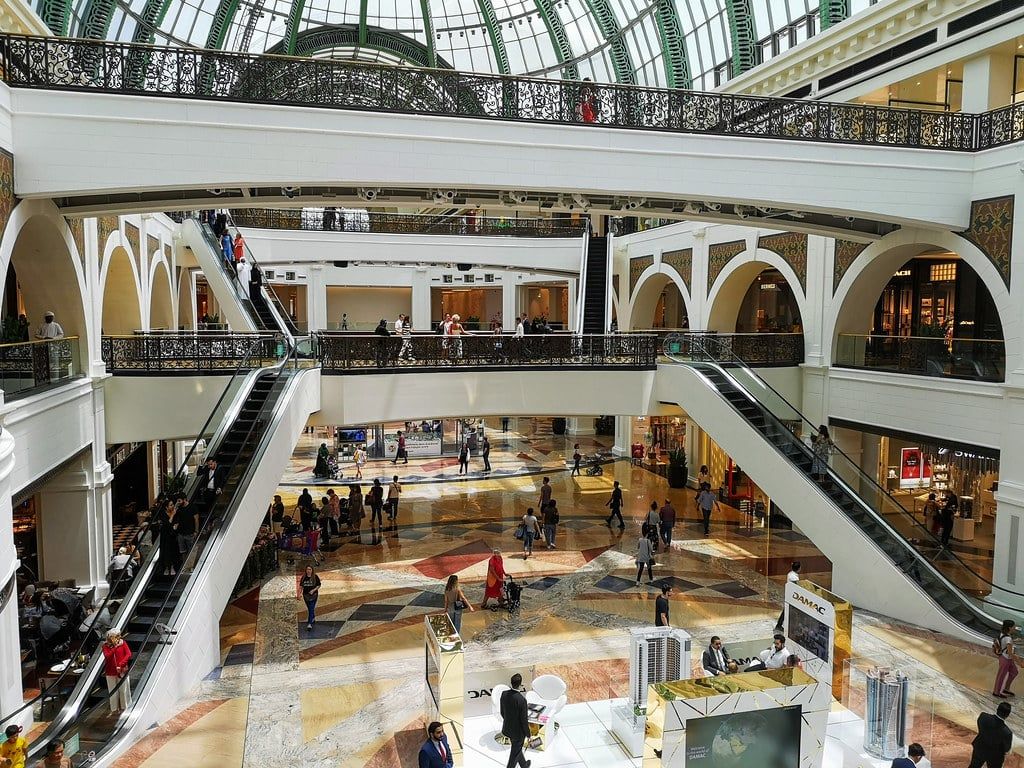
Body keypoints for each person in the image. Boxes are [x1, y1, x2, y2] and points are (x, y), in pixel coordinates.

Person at [500, 673, 532, 768]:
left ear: (511, 683)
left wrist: (509, 722)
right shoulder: (522, 700)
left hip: (507, 729)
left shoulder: (504, 694)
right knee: (514, 755)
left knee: (516, 749)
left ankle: (524, 765)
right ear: (520, 685)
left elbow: (502, 712)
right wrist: (528, 734)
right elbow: (524, 720)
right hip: (518, 733)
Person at [969, 702, 1013, 768]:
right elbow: (1007, 748)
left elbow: (980, 726)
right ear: (1007, 715)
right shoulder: (1007, 732)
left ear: (997, 709)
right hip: (995, 756)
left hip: (980, 747)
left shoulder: (983, 716)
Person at [101, 628, 132, 713]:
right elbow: (107, 656)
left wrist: (121, 664)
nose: (119, 638)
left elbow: (128, 654)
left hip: (121, 670)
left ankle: (125, 707)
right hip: (110, 671)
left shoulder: (123, 643)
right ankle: (114, 708)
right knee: (112, 691)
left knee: (123, 690)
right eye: (116, 636)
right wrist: (115, 647)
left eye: (118, 635)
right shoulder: (105, 646)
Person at [994, 619, 1018, 698]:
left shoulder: (1003, 634)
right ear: (1010, 628)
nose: (1015, 627)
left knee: (1014, 672)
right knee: (1001, 675)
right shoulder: (1008, 639)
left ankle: (1006, 689)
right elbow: (1010, 653)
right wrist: (1020, 662)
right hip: (1005, 659)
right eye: (1014, 626)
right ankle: (996, 692)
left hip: (1005, 658)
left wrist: (1015, 641)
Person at [777, 561, 801, 630]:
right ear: (799, 568)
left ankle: (780, 624)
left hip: (790, 594)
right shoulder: (794, 577)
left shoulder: (790, 574)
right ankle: (781, 625)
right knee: (788, 611)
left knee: (787, 610)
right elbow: (797, 587)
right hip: (792, 596)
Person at [299, 565, 321, 631]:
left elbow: (319, 585)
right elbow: (301, 586)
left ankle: (309, 624)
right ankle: (313, 617)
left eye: (310, 569)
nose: (308, 571)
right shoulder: (303, 577)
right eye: (307, 569)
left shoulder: (315, 577)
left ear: (312, 570)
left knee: (311, 608)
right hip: (306, 595)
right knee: (310, 608)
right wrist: (299, 594)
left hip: (314, 595)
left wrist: (313, 590)